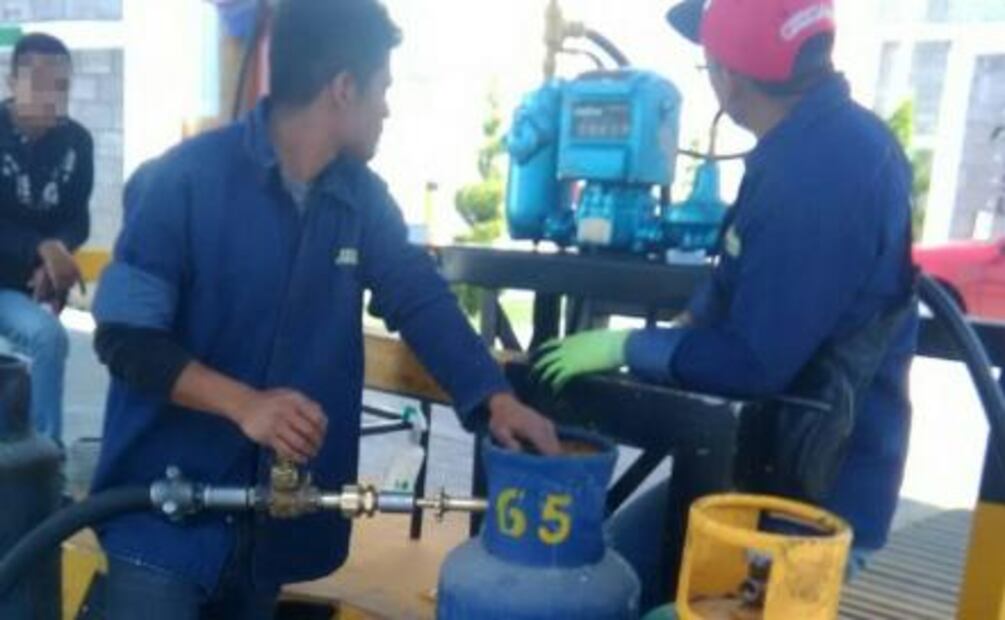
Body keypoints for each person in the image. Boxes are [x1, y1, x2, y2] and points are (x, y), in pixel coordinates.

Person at [90, 1, 560, 617]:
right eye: (383, 89)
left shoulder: (361, 201)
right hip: (162, 524)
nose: (387, 108)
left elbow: (419, 298)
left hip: (268, 533)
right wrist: (245, 404)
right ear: (343, 88)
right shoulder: (184, 181)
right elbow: (125, 338)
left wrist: (495, 399)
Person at [534, 0, 918, 610]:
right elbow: (736, 276)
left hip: (807, 505)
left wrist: (630, 345)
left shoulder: (824, 172)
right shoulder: (807, 147)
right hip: (756, 467)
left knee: (622, 599)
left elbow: (751, 364)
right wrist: (686, 327)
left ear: (728, 77)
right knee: (603, 575)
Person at [0, 33, 92, 446]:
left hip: (25, 286)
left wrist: (53, 260)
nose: (50, 96)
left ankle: (44, 459)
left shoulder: (77, 142)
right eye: (38, 83)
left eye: (61, 85)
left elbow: (77, 219)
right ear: (11, 82)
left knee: (48, 338)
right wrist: (42, 248)